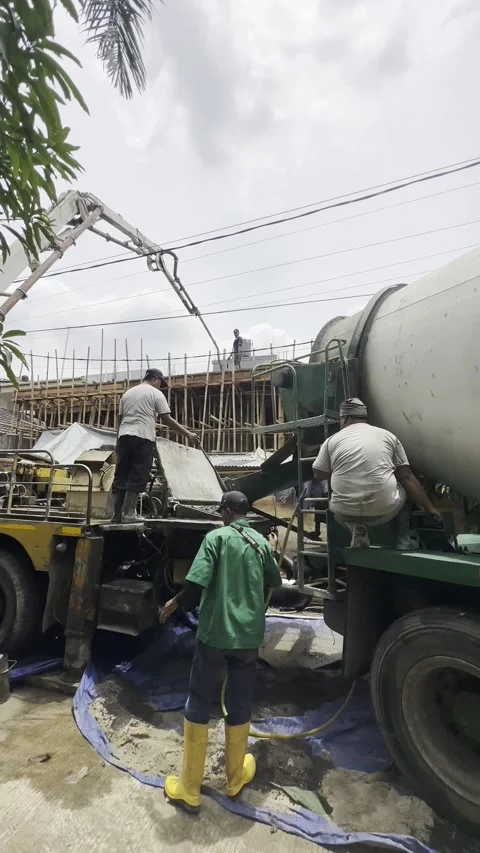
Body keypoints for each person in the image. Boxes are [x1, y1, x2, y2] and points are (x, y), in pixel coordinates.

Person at [159, 490, 282, 811]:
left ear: (227, 512)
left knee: (199, 700)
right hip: (247, 638)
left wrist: (174, 603)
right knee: (239, 701)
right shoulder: (260, 543)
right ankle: (235, 778)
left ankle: (189, 788)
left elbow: (197, 584)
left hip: (215, 635)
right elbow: (276, 581)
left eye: (221, 513)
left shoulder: (216, 539)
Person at [312, 398, 441, 549]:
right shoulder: (388, 436)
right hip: (385, 512)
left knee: (333, 490)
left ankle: (356, 528)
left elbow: (319, 475)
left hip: (344, 512)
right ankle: (403, 540)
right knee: (402, 482)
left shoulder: (331, 441)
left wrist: (341, 468)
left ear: (345, 418)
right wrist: (430, 508)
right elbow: (407, 477)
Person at [111, 368, 199, 523]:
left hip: (124, 437)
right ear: (156, 379)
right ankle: (129, 514)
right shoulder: (155, 393)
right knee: (138, 474)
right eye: (160, 383)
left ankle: (116, 515)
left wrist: (118, 442)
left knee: (121, 474)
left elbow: (120, 419)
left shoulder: (127, 394)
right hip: (143, 437)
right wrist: (188, 434)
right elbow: (166, 418)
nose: (160, 386)